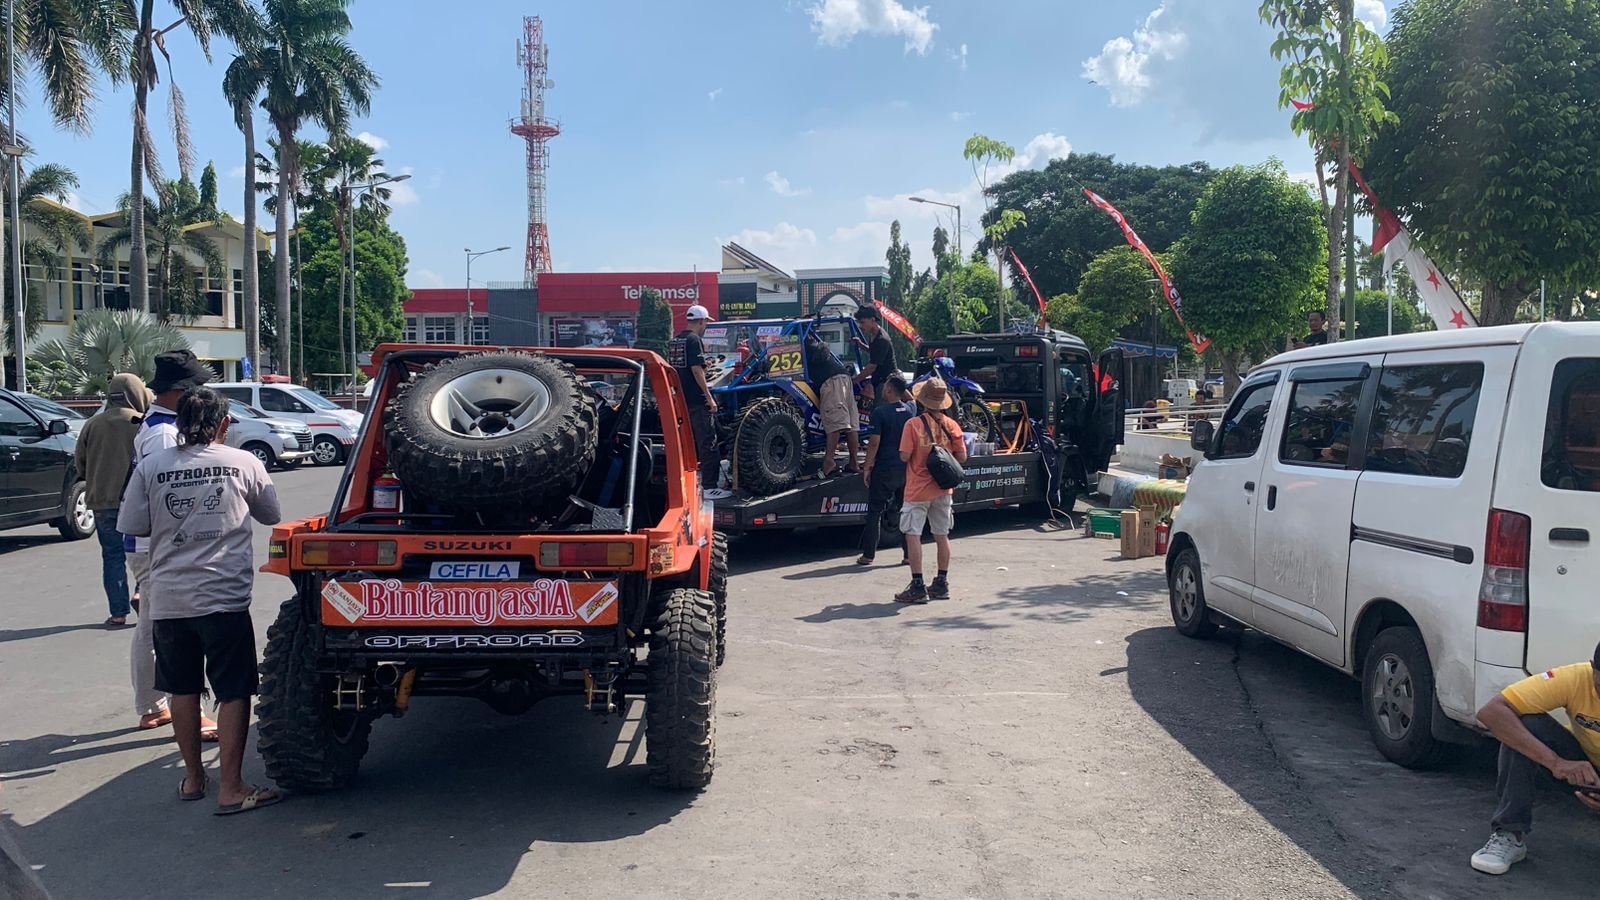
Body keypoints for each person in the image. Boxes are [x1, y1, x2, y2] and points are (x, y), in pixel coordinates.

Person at [118, 385, 282, 815]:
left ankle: (193, 779)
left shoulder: (152, 466)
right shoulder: (243, 461)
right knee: (233, 691)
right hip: (223, 597)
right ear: (224, 424)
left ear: (179, 423)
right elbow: (271, 514)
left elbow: (133, 524)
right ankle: (231, 787)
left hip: (170, 597)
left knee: (182, 688)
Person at [127, 350, 218, 737]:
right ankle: (172, 707)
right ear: (179, 391)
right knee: (171, 632)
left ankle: (153, 705)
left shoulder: (160, 424)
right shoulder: (166, 433)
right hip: (160, 544)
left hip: (150, 543)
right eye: (197, 387)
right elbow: (171, 492)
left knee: (154, 627)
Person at [1469, 641, 1600, 875]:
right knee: (1524, 724)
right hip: (1585, 772)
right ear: (1592, 669)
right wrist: (1556, 763)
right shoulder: (1575, 678)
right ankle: (1508, 833)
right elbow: (1491, 712)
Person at [74, 373, 150, 627]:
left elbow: (80, 464)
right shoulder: (140, 423)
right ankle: (141, 592)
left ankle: (118, 612)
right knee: (145, 552)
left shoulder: (93, 424)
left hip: (103, 502)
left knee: (112, 555)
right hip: (137, 501)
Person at [895, 378, 967, 604]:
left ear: (923, 400)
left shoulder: (913, 425)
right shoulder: (952, 425)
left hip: (917, 489)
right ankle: (941, 583)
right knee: (941, 535)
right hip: (943, 489)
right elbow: (962, 457)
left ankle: (917, 585)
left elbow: (904, 456)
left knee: (913, 534)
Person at [857, 374, 915, 566]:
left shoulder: (880, 413)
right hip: (904, 468)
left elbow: (874, 443)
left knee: (874, 511)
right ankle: (907, 555)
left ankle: (868, 555)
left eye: (886, 386)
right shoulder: (909, 411)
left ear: (889, 390)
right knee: (904, 510)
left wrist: (867, 466)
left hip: (884, 469)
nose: (882, 389)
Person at [669, 304, 721, 489]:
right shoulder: (694, 340)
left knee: (686, 443)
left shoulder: (675, 340)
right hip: (697, 401)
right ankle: (710, 486)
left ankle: (689, 483)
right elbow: (696, 370)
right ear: (701, 321)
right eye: (706, 322)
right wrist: (709, 397)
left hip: (680, 400)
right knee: (708, 442)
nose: (705, 326)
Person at [806, 328, 859, 478]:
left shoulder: (802, 347)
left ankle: (829, 461)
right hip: (844, 377)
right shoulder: (815, 345)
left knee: (835, 421)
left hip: (831, 381)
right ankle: (854, 462)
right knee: (850, 423)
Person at [852, 305, 896, 405]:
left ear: (872, 320)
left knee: (880, 413)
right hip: (879, 381)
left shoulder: (882, 339)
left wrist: (854, 380)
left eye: (862, 322)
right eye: (859, 322)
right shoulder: (873, 335)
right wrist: (861, 345)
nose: (860, 326)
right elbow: (875, 353)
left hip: (886, 383)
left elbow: (871, 367)